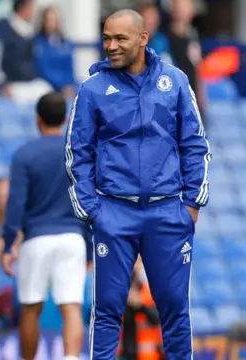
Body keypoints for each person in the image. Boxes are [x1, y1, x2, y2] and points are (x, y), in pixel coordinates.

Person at [65, 9, 211, 359]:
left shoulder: (175, 81)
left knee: (176, 309)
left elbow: (195, 144)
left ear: (143, 39)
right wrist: (94, 210)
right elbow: (76, 153)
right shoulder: (92, 89)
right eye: (106, 38)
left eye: (120, 39)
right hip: (113, 213)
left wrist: (191, 205)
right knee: (106, 311)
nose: (111, 46)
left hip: (168, 211)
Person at [0, 92, 88, 360]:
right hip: (73, 238)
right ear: (64, 119)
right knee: (71, 306)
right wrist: (93, 247)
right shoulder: (78, 153)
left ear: (37, 119)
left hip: (36, 239)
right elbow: (89, 201)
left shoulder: (24, 154)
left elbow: (16, 203)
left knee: (30, 308)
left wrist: (7, 243)